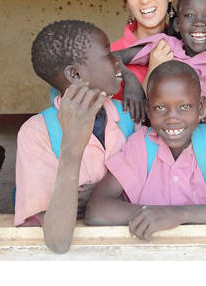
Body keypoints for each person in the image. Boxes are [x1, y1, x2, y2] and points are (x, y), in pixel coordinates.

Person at [84, 60, 206, 240]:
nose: (172, 118)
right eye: (160, 107)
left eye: (184, 106)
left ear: (200, 108)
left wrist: (178, 215)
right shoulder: (141, 145)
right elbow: (97, 211)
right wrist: (157, 216)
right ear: (148, 111)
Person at [14, 20, 137, 253]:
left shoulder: (131, 115)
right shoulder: (36, 133)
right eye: (108, 54)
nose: (118, 61)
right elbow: (58, 241)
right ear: (75, 74)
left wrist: (101, 195)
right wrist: (71, 148)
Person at [114, 0, 206, 129]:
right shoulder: (165, 46)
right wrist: (130, 79)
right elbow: (109, 57)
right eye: (190, 15)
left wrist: (204, 112)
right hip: (160, 135)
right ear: (177, 24)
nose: (199, 23)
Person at [110, 0, 178, 101]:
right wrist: (153, 69)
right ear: (126, 1)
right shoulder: (109, 55)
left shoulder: (187, 45)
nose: (144, 0)